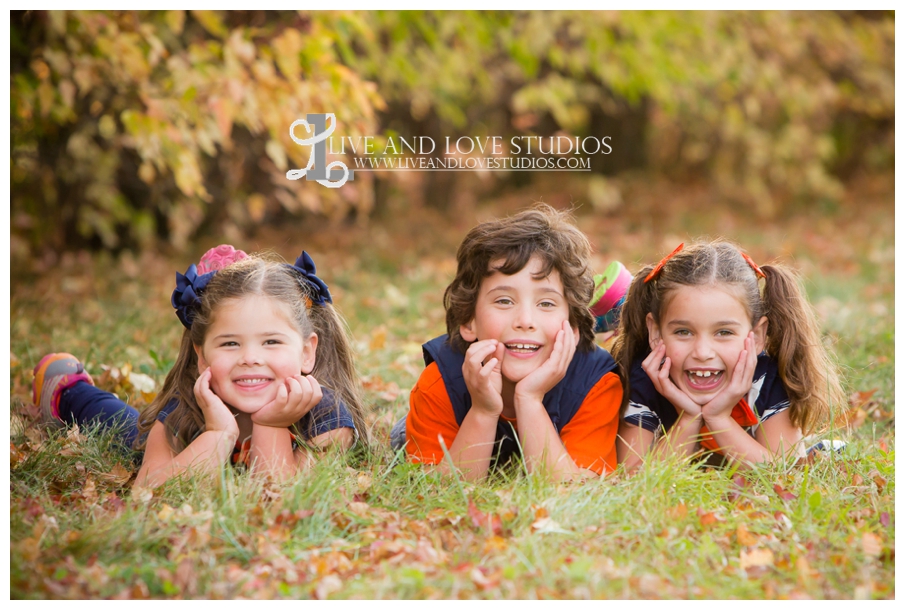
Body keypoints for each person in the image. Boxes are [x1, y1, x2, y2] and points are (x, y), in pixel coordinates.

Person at [32, 246, 367, 488]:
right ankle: (68, 390)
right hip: (187, 438)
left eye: (271, 342)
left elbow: (279, 500)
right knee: (124, 429)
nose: (250, 357)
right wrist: (218, 433)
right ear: (202, 356)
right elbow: (148, 492)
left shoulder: (327, 417)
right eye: (230, 343)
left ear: (307, 353)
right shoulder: (187, 406)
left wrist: (271, 424)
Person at [393, 205, 624, 481]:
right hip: (454, 431)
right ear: (469, 321)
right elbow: (438, 495)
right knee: (401, 439)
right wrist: (483, 410)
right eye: (504, 301)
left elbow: (573, 491)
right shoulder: (441, 380)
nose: (525, 320)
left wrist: (529, 400)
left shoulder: (595, 383)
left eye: (546, 303)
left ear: (573, 327)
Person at [613, 240, 845, 470]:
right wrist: (689, 419)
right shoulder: (644, 381)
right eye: (683, 332)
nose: (703, 352)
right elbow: (633, 477)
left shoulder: (768, 380)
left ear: (756, 337)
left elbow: (782, 473)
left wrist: (718, 418)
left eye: (724, 332)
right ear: (656, 332)